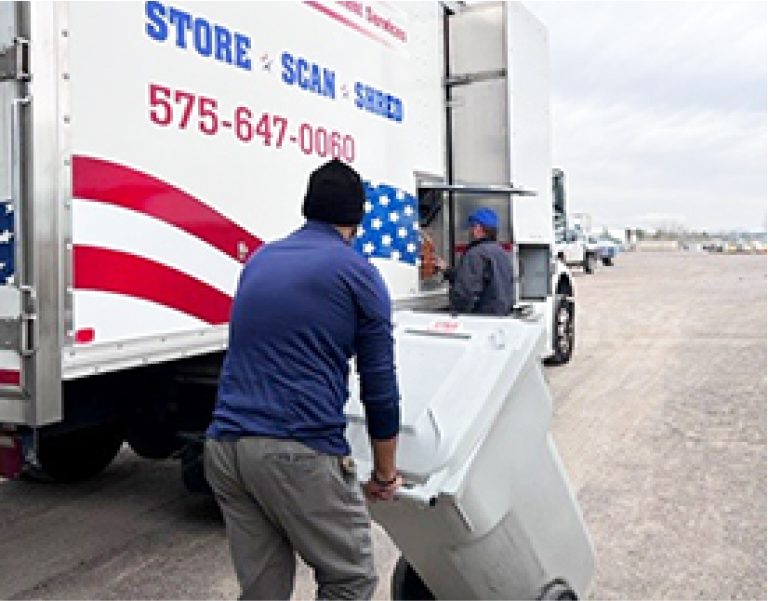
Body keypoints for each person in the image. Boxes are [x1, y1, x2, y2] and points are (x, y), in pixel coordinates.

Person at [204, 159, 402, 600]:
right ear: (358, 217)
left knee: (263, 589)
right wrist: (386, 474)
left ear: (307, 207)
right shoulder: (359, 274)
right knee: (349, 578)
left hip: (225, 450)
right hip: (297, 449)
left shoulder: (261, 259)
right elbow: (380, 388)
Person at [437, 207, 515, 316]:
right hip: (501, 316)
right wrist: (447, 270)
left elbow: (465, 290)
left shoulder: (476, 254)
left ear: (478, 228)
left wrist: (455, 314)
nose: (470, 231)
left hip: (482, 319)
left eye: (471, 227)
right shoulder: (501, 252)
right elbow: (486, 282)